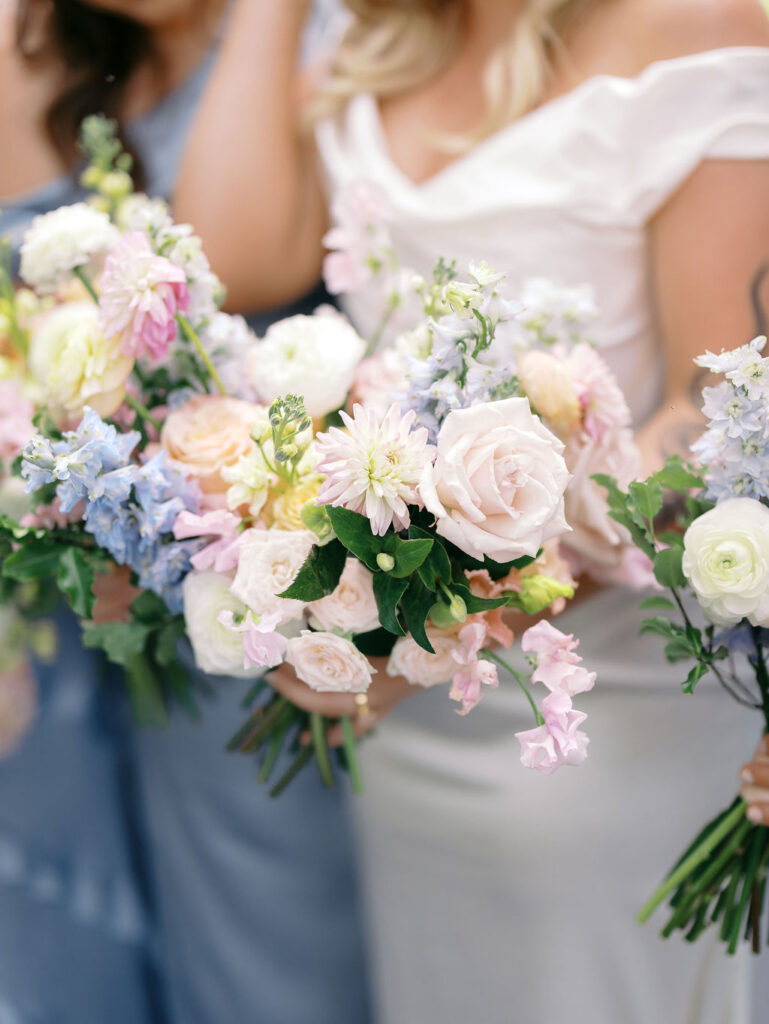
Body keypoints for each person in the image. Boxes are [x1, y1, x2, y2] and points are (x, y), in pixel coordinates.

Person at [177, 1, 769, 1021]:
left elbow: (710, 412)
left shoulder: (699, 25)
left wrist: (467, 608)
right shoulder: (380, 42)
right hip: (410, 715)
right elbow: (227, 262)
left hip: (600, 699)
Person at [0, 2, 370, 1023]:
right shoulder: (55, 56)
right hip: (83, 599)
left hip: (262, 600)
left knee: (266, 947)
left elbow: (232, 263)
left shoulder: (327, 40)